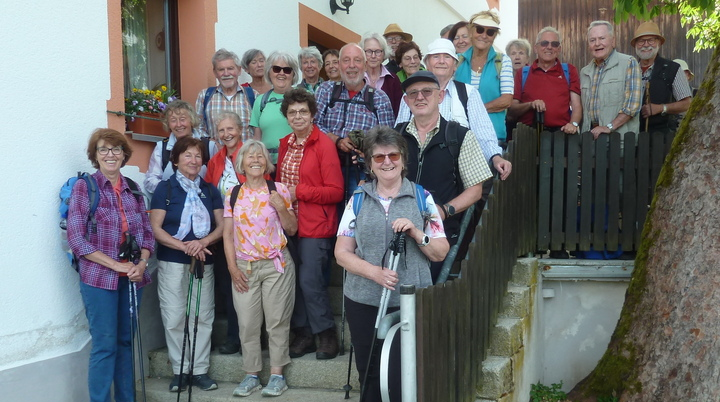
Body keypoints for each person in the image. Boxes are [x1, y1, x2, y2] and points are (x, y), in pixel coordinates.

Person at [335, 126, 449, 402]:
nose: (387, 162)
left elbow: (440, 252)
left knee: (405, 375)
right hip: (363, 301)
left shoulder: (423, 198)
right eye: (379, 157)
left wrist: (415, 232)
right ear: (370, 164)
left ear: (403, 159)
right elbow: (341, 252)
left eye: (393, 155)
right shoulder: (358, 200)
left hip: (411, 302)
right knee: (370, 373)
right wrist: (374, 272)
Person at [67, 128, 154, 402]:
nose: (110, 154)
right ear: (95, 155)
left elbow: (147, 234)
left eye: (116, 149)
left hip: (132, 278)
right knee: (105, 346)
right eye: (103, 149)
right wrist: (116, 266)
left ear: (124, 154)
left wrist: (141, 263)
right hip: (98, 280)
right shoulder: (85, 187)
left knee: (126, 344)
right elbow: (77, 239)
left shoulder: (134, 188)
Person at [395, 71, 492, 282]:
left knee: (426, 300)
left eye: (427, 92)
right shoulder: (394, 137)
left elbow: (476, 189)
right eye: (413, 93)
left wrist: (443, 211)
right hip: (397, 232)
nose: (420, 97)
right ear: (406, 100)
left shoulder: (460, 136)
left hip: (438, 235)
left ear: (440, 97)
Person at [149, 136, 224, 392]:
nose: (193, 160)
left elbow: (223, 225)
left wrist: (201, 243)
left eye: (197, 155)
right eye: (187, 155)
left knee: (202, 316)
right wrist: (185, 246)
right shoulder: (165, 189)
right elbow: (156, 229)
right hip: (172, 261)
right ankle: (180, 370)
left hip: (204, 261)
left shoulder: (210, 190)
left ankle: (200, 370)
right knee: (174, 316)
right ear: (176, 159)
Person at [224, 140, 297, 398]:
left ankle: (277, 376)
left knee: (277, 321)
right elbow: (228, 233)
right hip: (245, 266)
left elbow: (292, 228)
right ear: (241, 163)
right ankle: (251, 375)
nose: (255, 159)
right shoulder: (232, 193)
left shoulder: (278, 190)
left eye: (260, 156)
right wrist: (232, 267)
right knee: (247, 323)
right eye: (250, 156)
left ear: (267, 163)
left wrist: (280, 206)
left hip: (276, 264)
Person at [275, 88, 345, 359]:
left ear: (313, 114)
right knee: (293, 281)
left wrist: (299, 191)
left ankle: (326, 335)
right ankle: (303, 334)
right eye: (292, 112)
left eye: (303, 111)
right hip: (288, 223)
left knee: (310, 281)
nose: (298, 116)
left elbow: (335, 191)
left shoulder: (324, 144)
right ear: (286, 116)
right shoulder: (284, 143)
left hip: (316, 225)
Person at [395, 38, 512, 180]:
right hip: (416, 174)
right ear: (426, 63)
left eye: (447, 57)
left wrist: (495, 157)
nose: (442, 61)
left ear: (455, 65)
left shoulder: (468, 93)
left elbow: (483, 133)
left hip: (458, 177)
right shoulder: (410, 95)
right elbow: (398, 137)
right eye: (436, 56)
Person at [314, 43, 395, 201]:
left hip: (361, 171)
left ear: (365, 65)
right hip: (324, 167)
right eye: (346, 60)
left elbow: (388, 139)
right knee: (327, 218)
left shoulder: (379, 98)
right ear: (339, 64)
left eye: (357, 60)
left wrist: (366, 149)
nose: (352, 66)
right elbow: (312, 124)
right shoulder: (326, 90)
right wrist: (336, 140)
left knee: (355, 217)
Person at [204, 111, 245, 355]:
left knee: (248, 285)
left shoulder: (249, 153)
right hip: (224, 232)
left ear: (240, 130)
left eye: (230, 129)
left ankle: (252, 336)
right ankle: (233, 337)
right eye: (221, 130)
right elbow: (210, 194)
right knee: (229, 286)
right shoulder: (215, 160)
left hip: (251, 231)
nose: (226, 134)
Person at [455, 10, 514, 145]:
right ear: (471, 31)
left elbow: (506, 100)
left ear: (494, 36)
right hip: (460, 135)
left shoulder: (503, 61)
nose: (484, 35)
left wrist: (472, 111)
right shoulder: (457, 61)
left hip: (492, 136)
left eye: (490, 32)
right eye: (480, 29)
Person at [509, 27, 582, 134]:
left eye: (554, 44)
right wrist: (531, 104)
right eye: (544, 43)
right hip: (528, 136)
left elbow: (576, 105)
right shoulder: (523, 73)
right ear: (535, 48)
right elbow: (512, 109)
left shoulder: (569, 71)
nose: (549, 47)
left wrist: (573, 124)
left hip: (561, 135)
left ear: (559, 49)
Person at [580, 20, 642, 138]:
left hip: (620, 140)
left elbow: (632, 105)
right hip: (590, 139)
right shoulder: (585, 72)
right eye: (592, 40)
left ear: (613, 41)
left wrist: (609, 127)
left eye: (602, 38)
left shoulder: (629, 63)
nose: (597, 43)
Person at [144, 100, 218, 195]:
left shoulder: (209, 146)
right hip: (171, 203)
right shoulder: (161, 147)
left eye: (182, 119)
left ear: (191, 120)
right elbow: (150, 180)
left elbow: (218, 180)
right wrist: (172, 190)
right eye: (173, 120)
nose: (178, 125)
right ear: (168, 124)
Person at [631, 21, 692, 134]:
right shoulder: (628, 69)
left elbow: (687, 103)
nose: (646, 44)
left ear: (659, 43)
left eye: (651, 40)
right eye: (641, 41)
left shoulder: (673, 69)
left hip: (661, 138)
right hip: (630, 136)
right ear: (635, 45)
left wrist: (661, 108)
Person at [250, 51, 300, 165]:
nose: (281, 73)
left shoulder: (303, 97)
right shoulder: (261, 100)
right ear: (269, 72)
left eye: (287, 70)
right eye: (277, 69)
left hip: (296, 162)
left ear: (293, 74)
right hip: (268, 164)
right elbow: (257, 137)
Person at [195, 48, 254, 142]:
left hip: (245, 155)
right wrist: (211, 143)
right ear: (215, 72)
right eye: (221, 69)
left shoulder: (253, 96)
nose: (226, 74)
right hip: (215, 155)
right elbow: (198, 127)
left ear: (239, 70)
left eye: (230, 68)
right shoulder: (204, 96)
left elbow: (259, 130)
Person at [361, 32, 403, 116]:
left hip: (385, 128)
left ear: (384, 53)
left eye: (377, 51)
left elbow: (398, 111)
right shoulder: (356, 78)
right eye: (369, 51)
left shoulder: (393, 80)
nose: (373, 56)